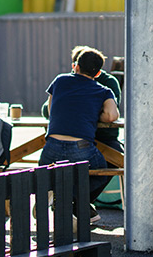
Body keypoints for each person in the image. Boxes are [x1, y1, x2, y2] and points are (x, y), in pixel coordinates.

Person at [39, 47, 119, 224]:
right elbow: (112, 116)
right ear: (98, 73)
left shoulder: (59, 81)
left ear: (75, 67)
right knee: (104, 170)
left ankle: (55, 196)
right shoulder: (103, 90)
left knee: (49, 170)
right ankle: (70, 199)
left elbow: (50, 110)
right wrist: (94, 114)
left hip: (50, 148)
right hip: (81, 148)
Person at [42, 45, 123, 152]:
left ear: (76, 67)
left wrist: (72, 112)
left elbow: (110, 114)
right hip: (79, 140)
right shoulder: (65, 81)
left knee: (118, 161)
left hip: (103, 137)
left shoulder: (107, 83)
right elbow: (47, 110)